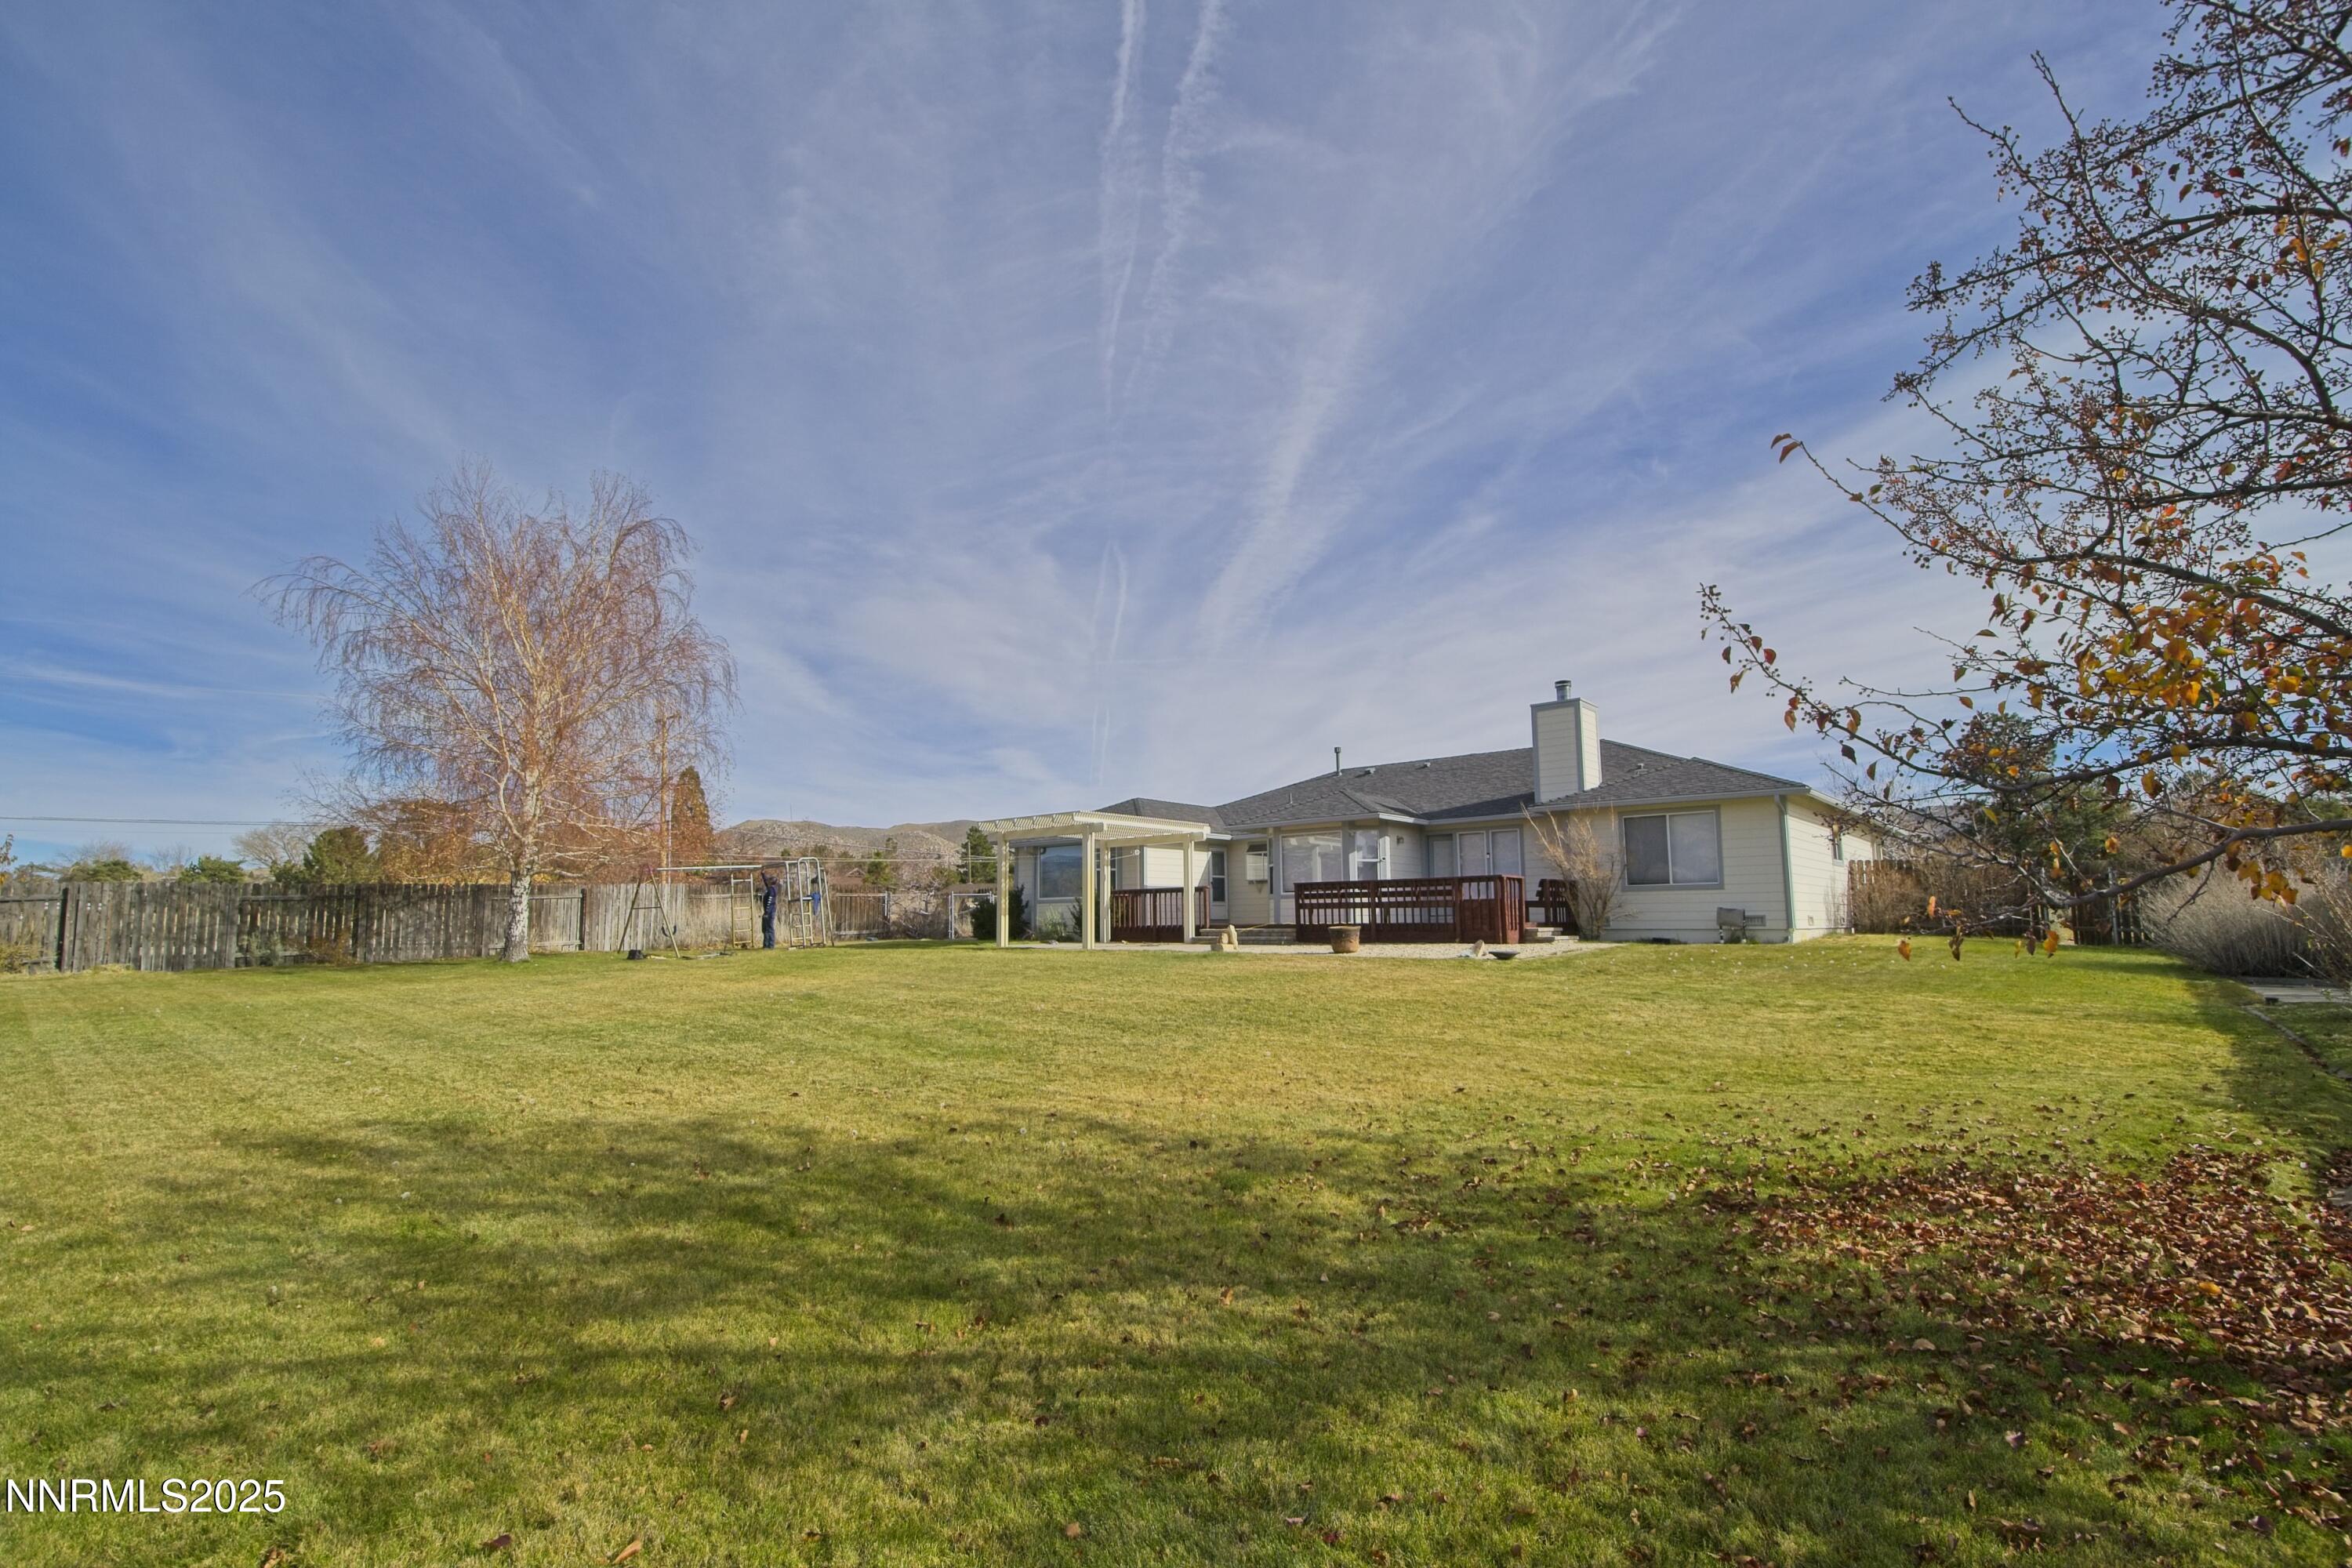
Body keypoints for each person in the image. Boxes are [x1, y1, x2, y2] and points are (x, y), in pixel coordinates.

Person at [757, 867, 780, 949]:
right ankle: (766, 945)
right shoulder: (769, 888)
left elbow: (770, 902)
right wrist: (763, 874)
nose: (767, 881)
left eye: (769, 880)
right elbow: (765, 881)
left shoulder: (772, 891)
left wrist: (766, 912)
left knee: (770, 928)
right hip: (767, 912)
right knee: (766, 929)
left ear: (771, 882)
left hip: (770, 912)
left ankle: (771, 945)